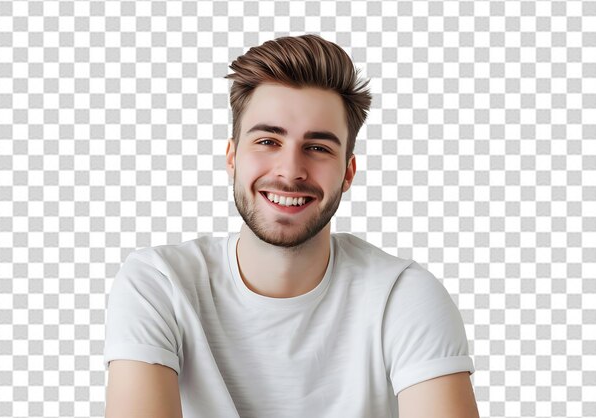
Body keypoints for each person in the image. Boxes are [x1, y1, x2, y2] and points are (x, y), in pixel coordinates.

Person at [104, 34, 479, 418]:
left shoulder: (402, 296)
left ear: (348, 172)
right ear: (232, 157)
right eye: (268, 141)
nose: (289, 171)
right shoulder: (159, 283)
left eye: (318, 148)